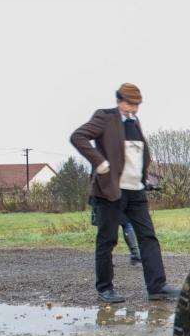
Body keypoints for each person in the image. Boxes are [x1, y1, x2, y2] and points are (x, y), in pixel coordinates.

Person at [71, 83, 182, 303]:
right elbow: (78, 137)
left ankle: (157, 286)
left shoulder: (134, 122)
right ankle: (105, 288)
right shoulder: (105, 117)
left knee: (148, 238)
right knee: (107, 240)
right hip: (110, 191)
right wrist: (100, 163)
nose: (133, 108)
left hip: (136, 192)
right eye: (130, 103)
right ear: (119, 101)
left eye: (137, 105)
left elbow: (138, 154)